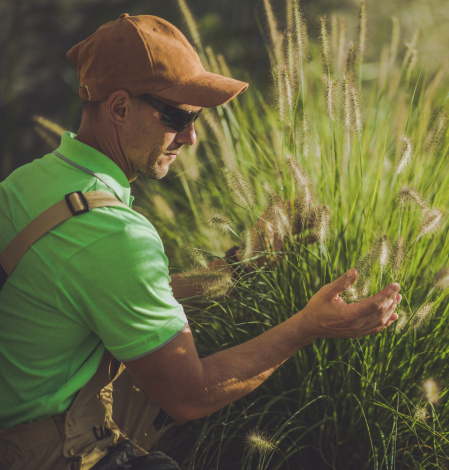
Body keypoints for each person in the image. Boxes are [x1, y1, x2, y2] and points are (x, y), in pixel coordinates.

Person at [0, 13, 401, 470]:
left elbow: (117, 289)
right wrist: (308, 326)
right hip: (42, 450)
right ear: (118, 108)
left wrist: (241, 265)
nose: (191, 137)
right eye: (178, 115)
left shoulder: (29, 182)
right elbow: (191, 395)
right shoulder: (114, 234)